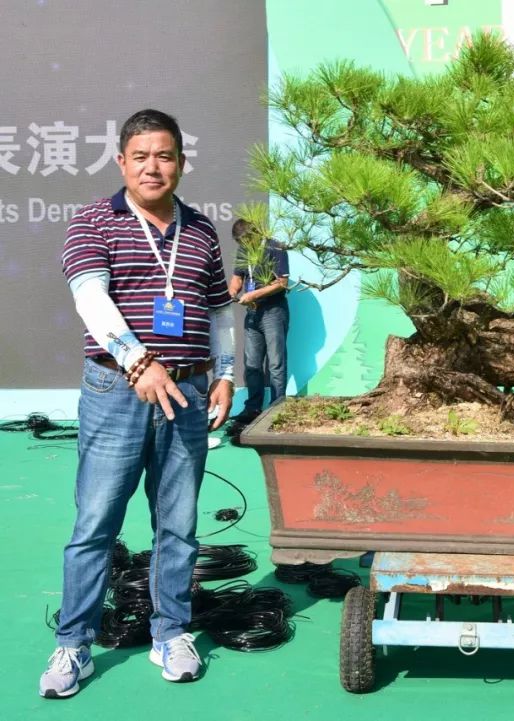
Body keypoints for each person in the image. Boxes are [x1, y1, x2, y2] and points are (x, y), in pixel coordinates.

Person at [41, 109, 235, 698]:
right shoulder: (93, 221)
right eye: (142, 156)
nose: (154, 167)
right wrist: (137, 361)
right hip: (116, 391)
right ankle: (73, 644)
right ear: (122, 161)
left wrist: (226, 374)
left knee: (178, 525)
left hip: (189, 394)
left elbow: (219, 310)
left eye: (165, 156)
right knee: (95, 523)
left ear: (181, 163)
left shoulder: (201, 230)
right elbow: (89, 298)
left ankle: (170, 632)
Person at [228, 219, 289, 427]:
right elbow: (237, 278)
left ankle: (276, 409)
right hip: (252, 313)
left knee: (275, 363)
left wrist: (254, 294)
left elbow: (282, 283)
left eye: (246, 241)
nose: (244, 245)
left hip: (274, 311)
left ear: (255, 235)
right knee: (252, 364)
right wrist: (232, 292)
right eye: (240, 243)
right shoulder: (243, 250)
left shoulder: (276, 247)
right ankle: (252, 408)